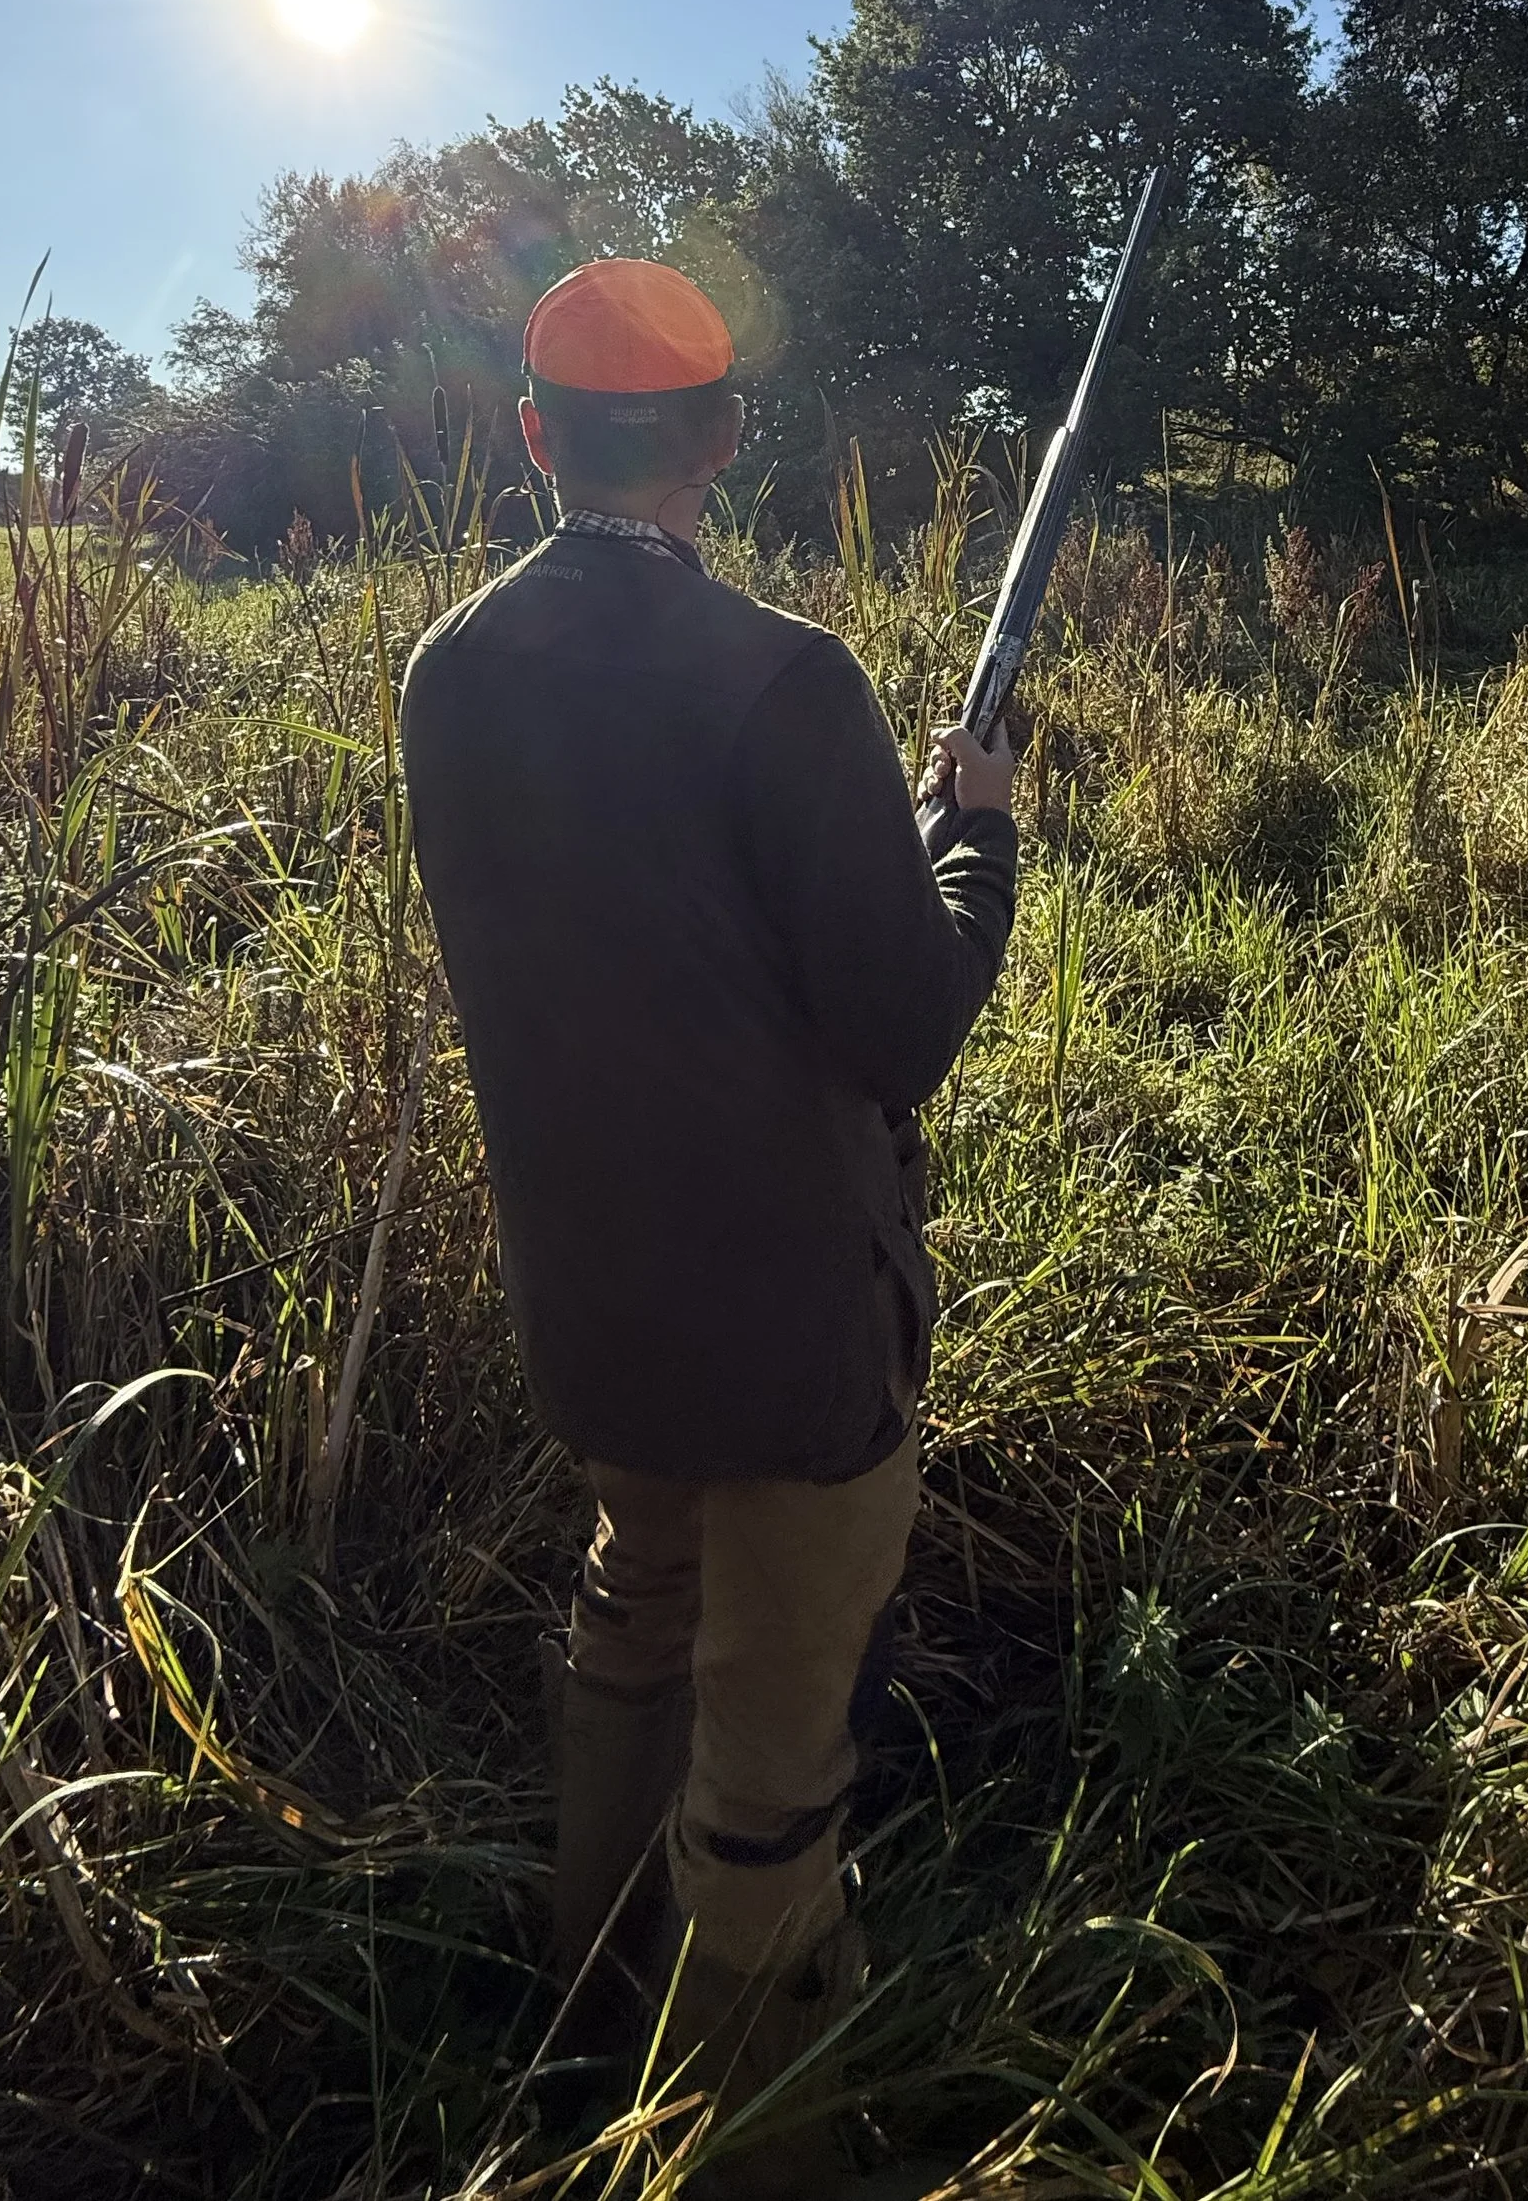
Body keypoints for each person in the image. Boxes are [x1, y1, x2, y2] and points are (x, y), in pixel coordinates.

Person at [399, 257, 1016, 2187]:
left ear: (533, 438)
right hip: (787, 1329)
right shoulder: (786, 679)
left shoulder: (447, 672)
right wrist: (972, 833)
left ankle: (587, 1999)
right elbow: (902, 1029)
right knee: (769, 1763)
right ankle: (743, 2148)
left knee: (632, 1606)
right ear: (726, 440)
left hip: (593, 1314)